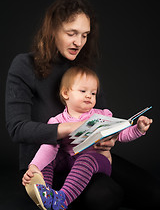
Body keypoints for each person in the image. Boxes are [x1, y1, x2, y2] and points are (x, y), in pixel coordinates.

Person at [5, 0, 160, 209]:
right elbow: (17, 128)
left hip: (86, 155)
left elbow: (105, 118)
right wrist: (73, 128)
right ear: (52, 30)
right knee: (106, 196)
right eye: (72, 33)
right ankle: (51, 196)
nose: (79, 42)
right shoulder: (24, 65)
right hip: (45, 158)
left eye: (85, 35)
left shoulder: (82, 70)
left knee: (153, 192)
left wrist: (109, 139)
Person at [22, 66, 152, 210]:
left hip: (95, 160)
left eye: (93, 93)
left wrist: (138, 129)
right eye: (83, 91)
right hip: (67, 160)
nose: (89, 96)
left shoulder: (102, 116)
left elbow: (122, 134)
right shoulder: (57, 120)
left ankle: (62, 200)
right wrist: (34, 166)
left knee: (87, 158)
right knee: (47, 158)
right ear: (66, 93)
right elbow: (48, 147)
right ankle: (45, 191)